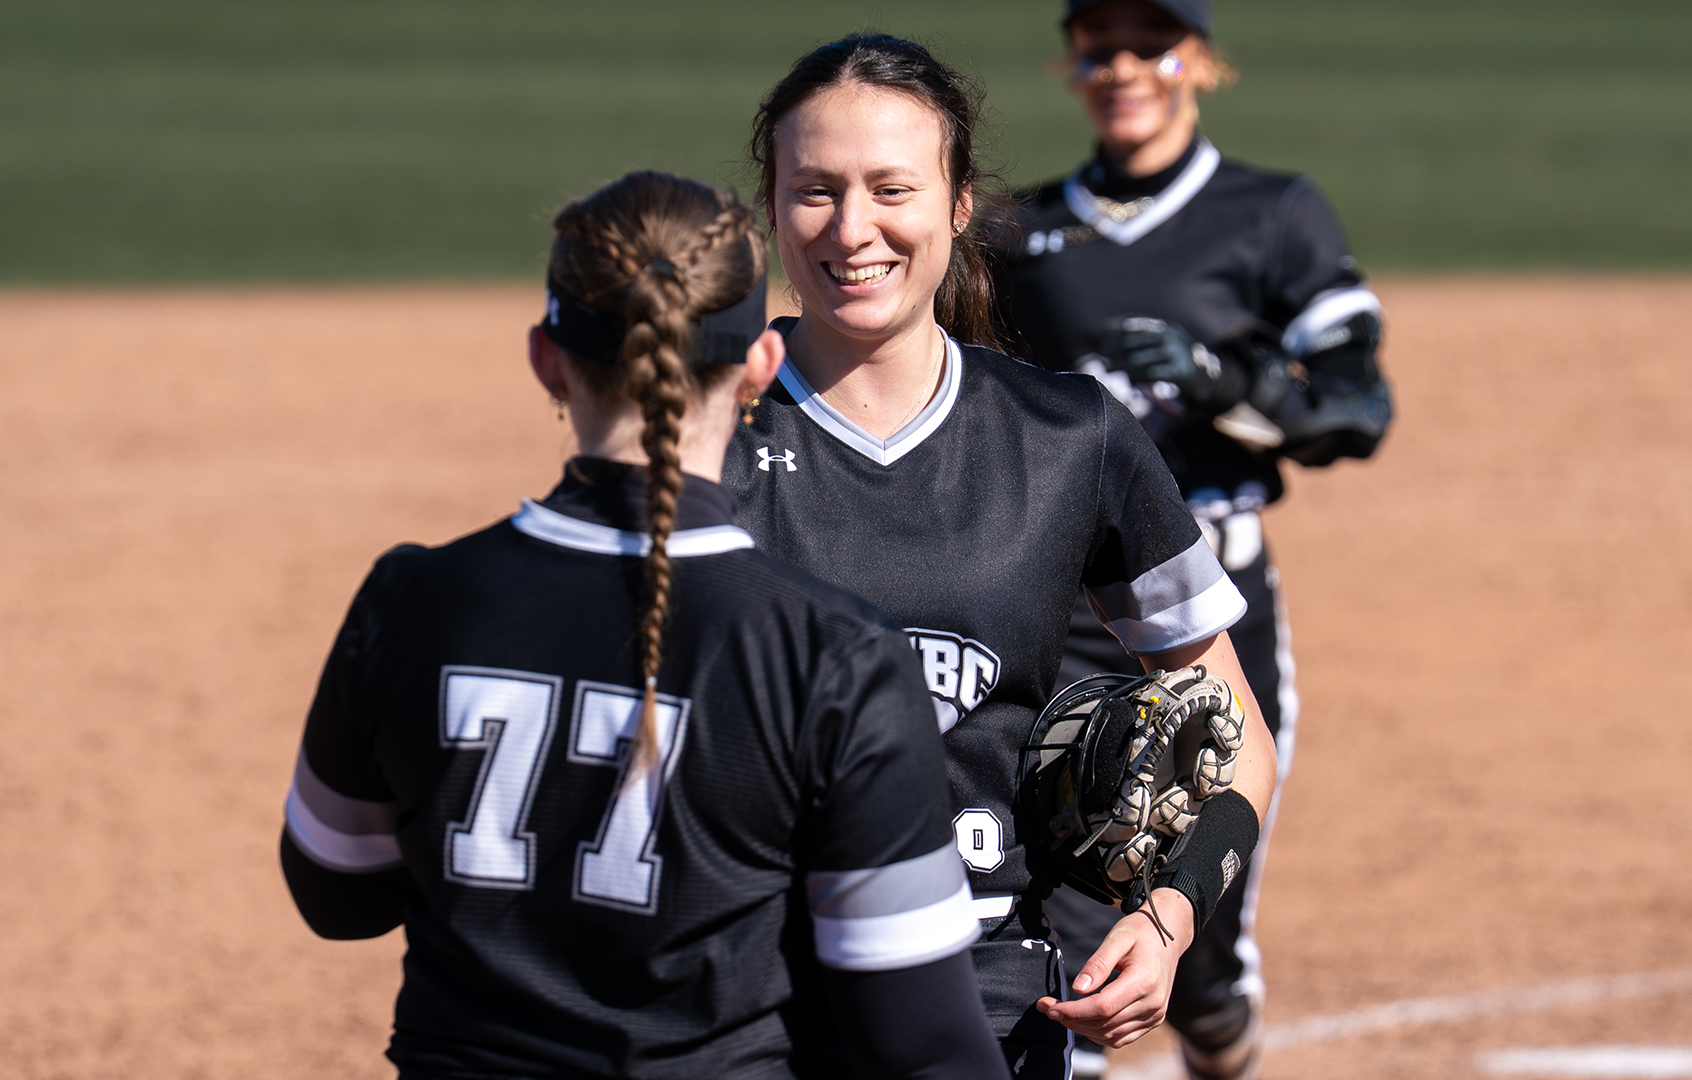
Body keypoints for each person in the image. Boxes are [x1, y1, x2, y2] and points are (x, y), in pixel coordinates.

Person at [278, 170, 1012, 1080]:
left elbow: (337, 894)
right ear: (758, 370)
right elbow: (924, 1045)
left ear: (547, 358)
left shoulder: (410, 601)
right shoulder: (834, 659)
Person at [724, 34, 1280, 1080]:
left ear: (958, 203)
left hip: (984, 996)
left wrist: (1167, 917)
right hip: (745, 996)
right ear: (769, 205)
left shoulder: (1069, 437)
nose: (854, 230)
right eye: (814, 192)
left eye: (892, 188)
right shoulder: (706, 440)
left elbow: (1235, 727)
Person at [988, 2, 1396, 1077]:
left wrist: (1230, 384)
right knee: (1055, 941)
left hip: (1208, 614)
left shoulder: (1271, 216)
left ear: (1199, 63)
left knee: (1200, 970)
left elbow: (1357, 410)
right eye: (1098, 47)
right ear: (1071, 64)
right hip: (1056, 620)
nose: (1122, 68)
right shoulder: (1019, 235)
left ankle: (1221, 1037)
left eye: (1150, 45)